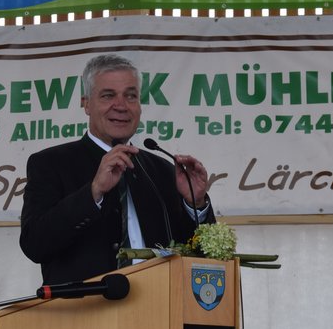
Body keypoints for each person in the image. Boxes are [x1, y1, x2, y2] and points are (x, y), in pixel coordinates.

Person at [19, 53, 215, 284]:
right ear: (86, 104)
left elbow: (202, 257)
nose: (121, 106)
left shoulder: (164, 170)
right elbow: (35, 245)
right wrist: (93, 193)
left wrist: (195, 204)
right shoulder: (51, 163)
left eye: (130, 96)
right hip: (87, 305)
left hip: (159, 301)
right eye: (108, 95)